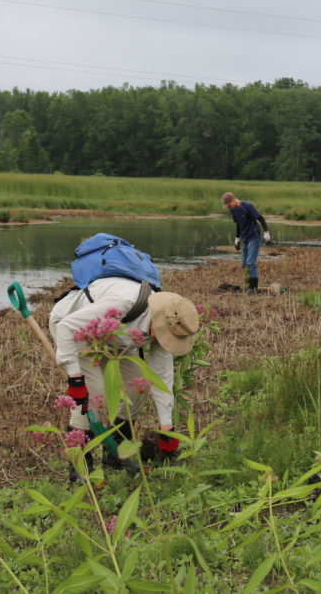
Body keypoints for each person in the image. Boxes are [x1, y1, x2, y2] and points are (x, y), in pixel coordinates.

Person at [50, 277, 200, 479]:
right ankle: (79, 464)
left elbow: (161, 378)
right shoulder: (124, 302)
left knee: (138, 385)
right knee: (94, 391)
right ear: (159, 319)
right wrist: (76, 380)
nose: (165, 340)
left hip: (116, 339)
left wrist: (167, 430)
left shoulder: (166, 328)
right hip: (76, 328)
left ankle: (117, 451)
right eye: (165, 335)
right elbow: (66, 327)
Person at [221, 192, 270, 293]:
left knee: (250, 262)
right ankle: (248, 286)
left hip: (254, 236)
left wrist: (266, 233)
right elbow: (239, 224)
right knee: (244, 264)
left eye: (229, 205)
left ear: (233, 200)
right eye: (227, 207)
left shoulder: (247, 206)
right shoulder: (233, 210)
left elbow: (260, 218)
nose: (229, 208)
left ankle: (253, 288)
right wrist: (237, 239)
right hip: (245, 238)